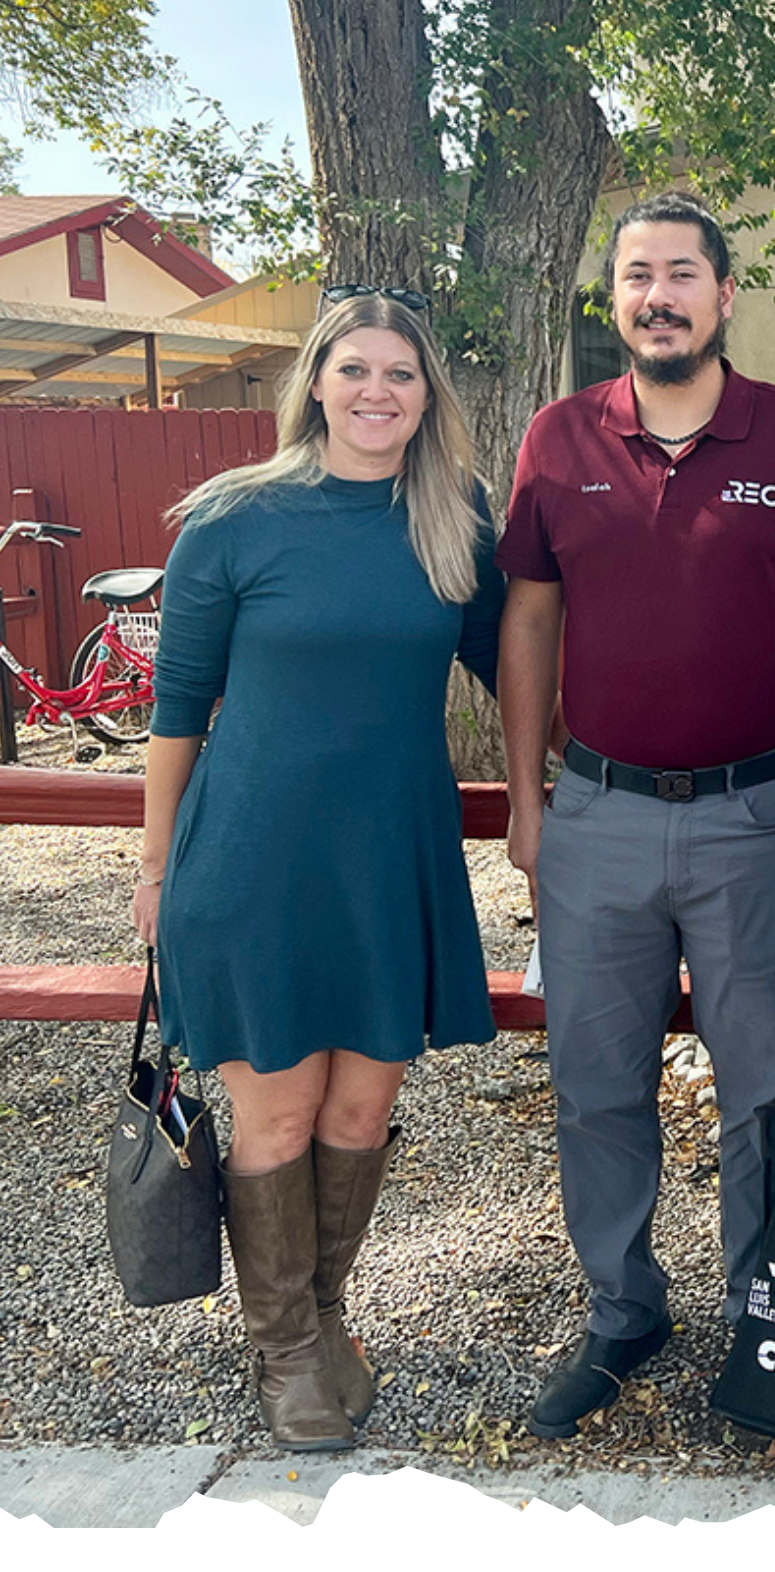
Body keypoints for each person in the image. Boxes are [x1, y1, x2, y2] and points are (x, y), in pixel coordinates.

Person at [496, 192, 775, 1440]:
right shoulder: (557, 439)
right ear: (615, 303)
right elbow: (530, 624)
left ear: (724, 297)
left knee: (762, 1083)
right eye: (635, 278)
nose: (656, 296)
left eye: (680, 274)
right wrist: (523, 797)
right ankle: (623, 1310)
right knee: (594, 1082)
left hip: (758, 812)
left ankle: (770, 1323)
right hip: (598, 813)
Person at [132, 290, 504, 1451]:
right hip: (253, 860)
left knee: (361, 1103)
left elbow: (529, 666)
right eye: (356, 370)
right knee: (278, 1114)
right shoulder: (234, 521)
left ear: (427, 391)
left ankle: (326, 1313)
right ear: (316, 381)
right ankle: (283, 1349)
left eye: (401, 372)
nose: (378, 391)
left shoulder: (454, 520)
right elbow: (176, 712)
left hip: (390, 858)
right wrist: (153, 871)